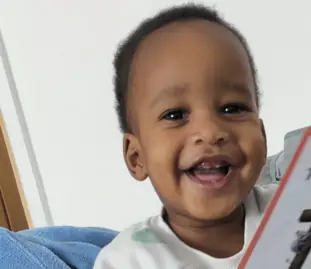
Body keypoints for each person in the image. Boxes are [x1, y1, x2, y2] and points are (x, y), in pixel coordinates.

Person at [93, 3, 276, 269]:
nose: (210, 132)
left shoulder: (298, 207)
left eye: (232, 108)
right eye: (175, 115)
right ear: (136, 157)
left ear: (262, 134)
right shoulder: (129, 262)